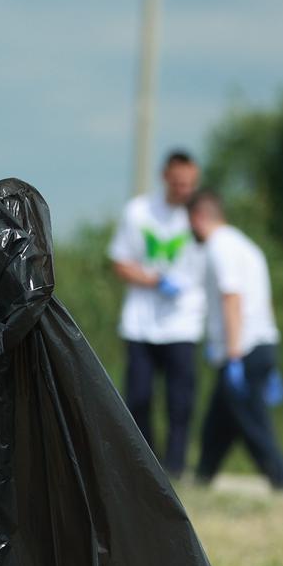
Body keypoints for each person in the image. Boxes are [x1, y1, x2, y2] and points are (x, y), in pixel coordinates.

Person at [108, 150, 206, 479]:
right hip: (141, 323)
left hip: (183, 323)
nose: (183, 190)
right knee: (138, 397)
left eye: (190, 184)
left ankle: (176, 468)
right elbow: (120, 262)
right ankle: (146, 467)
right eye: (178, 183)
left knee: (180, 401)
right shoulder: (139, 212)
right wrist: (153, 280)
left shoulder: (199, 217)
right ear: (165, 178)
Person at [189, 191, 283, 491]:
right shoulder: (247, 246)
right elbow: (264, 301)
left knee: (252, 423)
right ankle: (202, 479)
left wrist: (233, 355)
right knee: (218, 425)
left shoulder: (220, 247)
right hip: (261, 343)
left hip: (243, 350)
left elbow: (232, 298)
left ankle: (282, 483)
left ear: (199, 217)